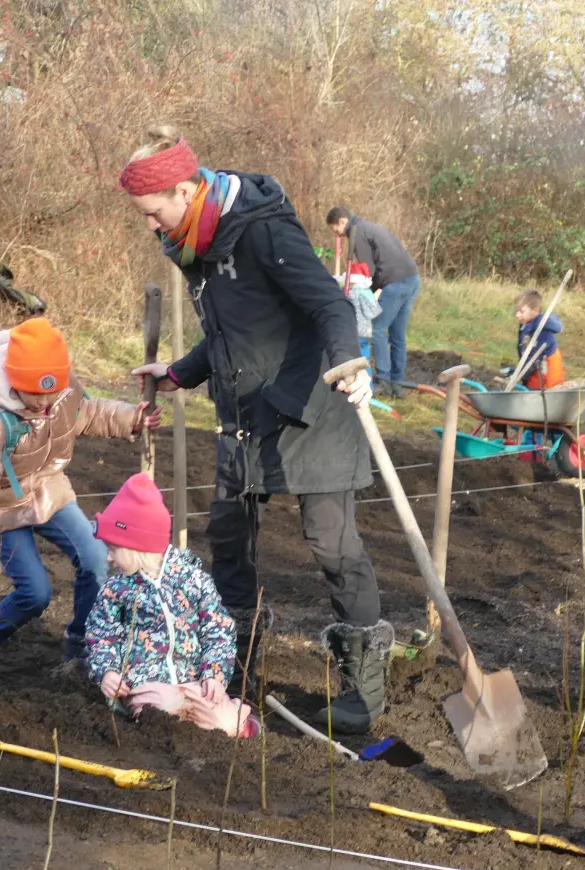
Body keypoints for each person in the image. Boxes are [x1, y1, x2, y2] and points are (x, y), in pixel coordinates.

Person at [122, 126, 390, 735]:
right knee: (228, 538)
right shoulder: (197, 245)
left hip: (309, 406)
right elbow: (230, 334)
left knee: (332, 544)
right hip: (242, 413)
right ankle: (228, 674)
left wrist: (349, 358)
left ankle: (362, 697)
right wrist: (180, 372)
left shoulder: (262, 229)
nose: (149, 225)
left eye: (153, 211)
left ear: (186, 190)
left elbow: (328, 304)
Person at [0, 318, 157, 679]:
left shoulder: (63, 390)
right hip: (6, 509)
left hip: (51, 492)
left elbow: (88, 413)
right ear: (15, 382)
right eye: (36, 394)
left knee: (96, 558)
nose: (46, 402)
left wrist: (132, 419)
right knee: (35, 593)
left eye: (53, 392)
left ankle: (80, 645)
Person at [83, 473, 258, 738]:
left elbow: (217, 630)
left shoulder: (193, 580)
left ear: (137, 548)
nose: (108, 557)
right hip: (146, 684)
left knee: (221, 721)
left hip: (193, 679)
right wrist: (107, 671)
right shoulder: (116, 589)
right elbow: (101, 632)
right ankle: (174, 726)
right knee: (163, 711)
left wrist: (213, 673)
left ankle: (236, 720)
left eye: (114, 549)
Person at [326, 207, 420, 397]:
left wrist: (357, 291)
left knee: (377, 329)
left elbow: (366, 270)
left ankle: (383, 380)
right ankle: (397, 384)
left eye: (335, 230)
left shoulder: (357, 232)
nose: (338, 234)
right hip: (412, 279)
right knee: (397, 334)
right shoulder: (371, 227)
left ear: (342, 221)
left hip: (396, 282)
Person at [512, 288, 565, 390]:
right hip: (535, 378)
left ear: (536, 310)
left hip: (547, 382)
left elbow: (532, 360)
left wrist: (519, 376)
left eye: (521, 311)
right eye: (516, 311)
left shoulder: (542, 331)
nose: (517, 315)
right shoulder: (527, 326)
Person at [337, 261, 382, 362]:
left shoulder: (348, 292)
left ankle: (354, 376)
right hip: (365, 332)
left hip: (352, 331)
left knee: (351, 358)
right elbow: (374, 311)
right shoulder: (367, 293)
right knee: (365, 359)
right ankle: (367, 377)